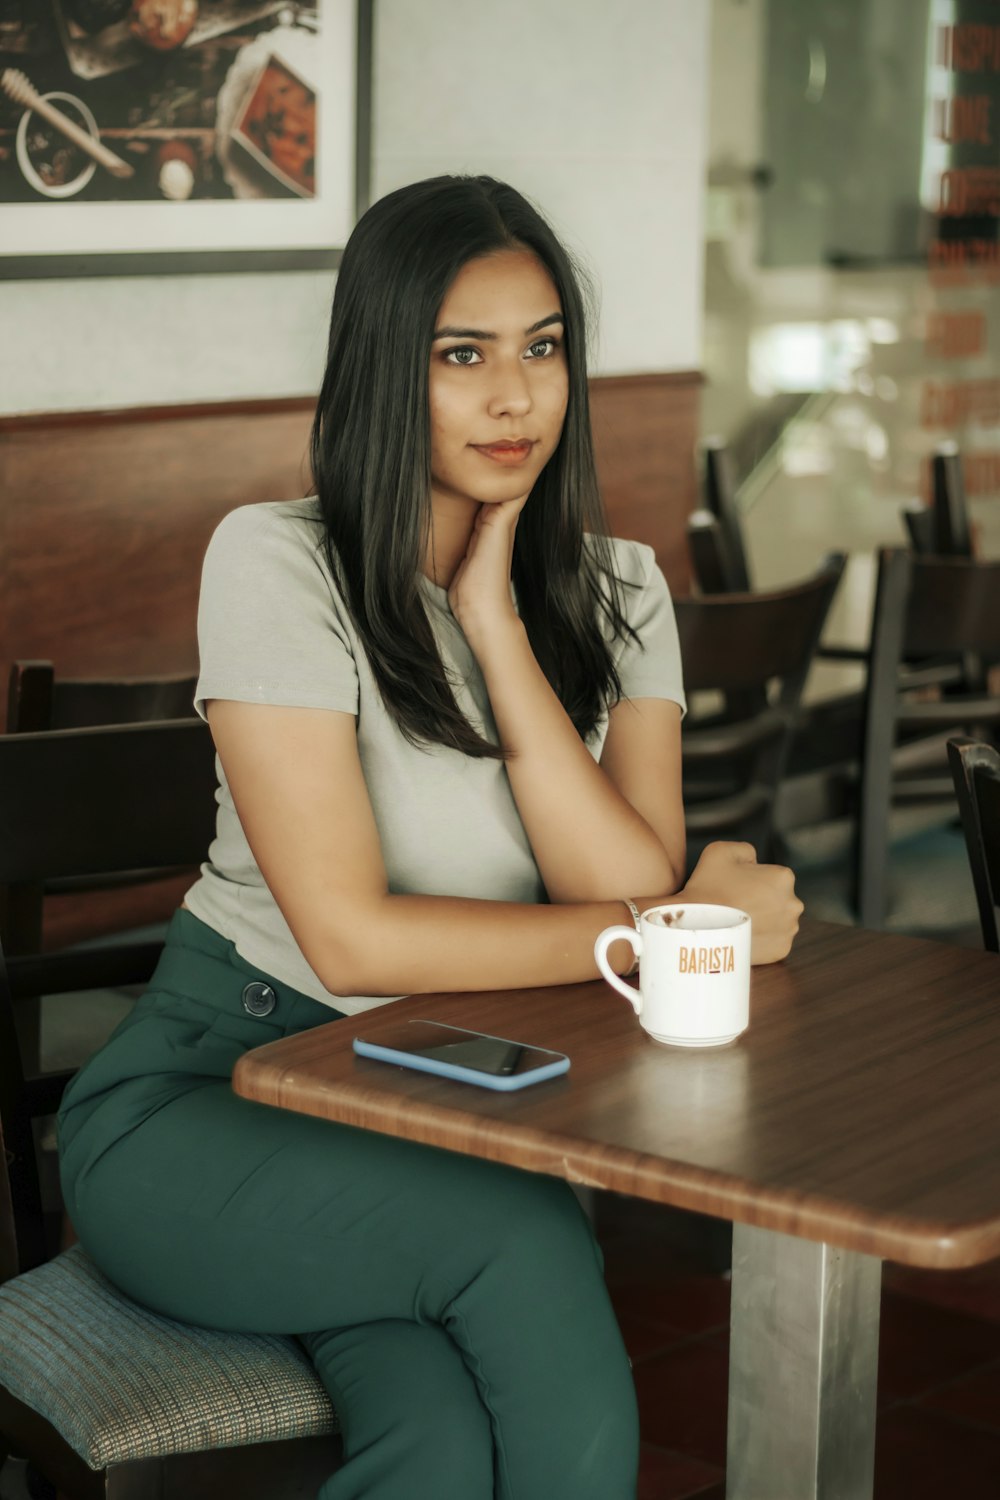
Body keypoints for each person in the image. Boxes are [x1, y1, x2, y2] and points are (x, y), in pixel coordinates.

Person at [57, 174, 802, 1500]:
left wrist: (500, 627)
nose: (515, 397)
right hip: (215, 1097)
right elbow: (351, 935)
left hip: (444, 1109)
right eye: (462, 355)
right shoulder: (276, 564)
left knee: (439, 1446)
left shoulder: (619, 587)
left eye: (543, 347)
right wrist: (685, 930)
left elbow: (623, 874)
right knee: (524, 1242)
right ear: (383, 369)